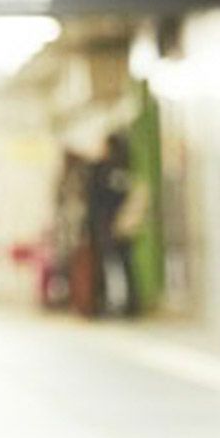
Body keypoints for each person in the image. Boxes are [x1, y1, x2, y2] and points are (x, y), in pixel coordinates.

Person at [86, 132, 140, 317]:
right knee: (122, 265)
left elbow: (102, 198)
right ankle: (126, 303)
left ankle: (120, 302)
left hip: (112, 225)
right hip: (120, 225)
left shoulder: (107, 170)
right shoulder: (124, 169)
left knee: (115, 266)